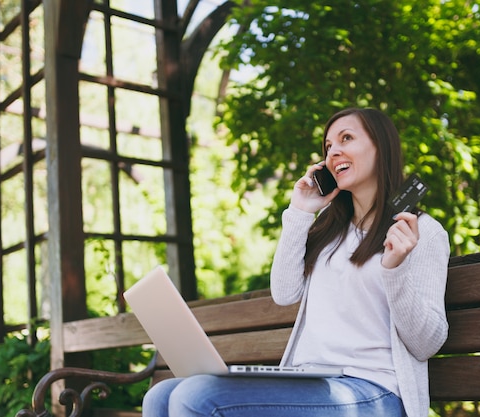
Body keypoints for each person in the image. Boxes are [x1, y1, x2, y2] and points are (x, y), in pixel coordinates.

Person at [142, 107, 450, 417]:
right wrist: (301, 211)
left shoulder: (421, 232)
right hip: (311, 381)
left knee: (198, 396)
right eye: (328, 146)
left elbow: (426, 343)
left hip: (374, 390)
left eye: (346, 138)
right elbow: (284, 292)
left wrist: (395, 269)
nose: (334, 151)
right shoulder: (330, 226)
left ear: (380, 147)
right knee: (161, 395)